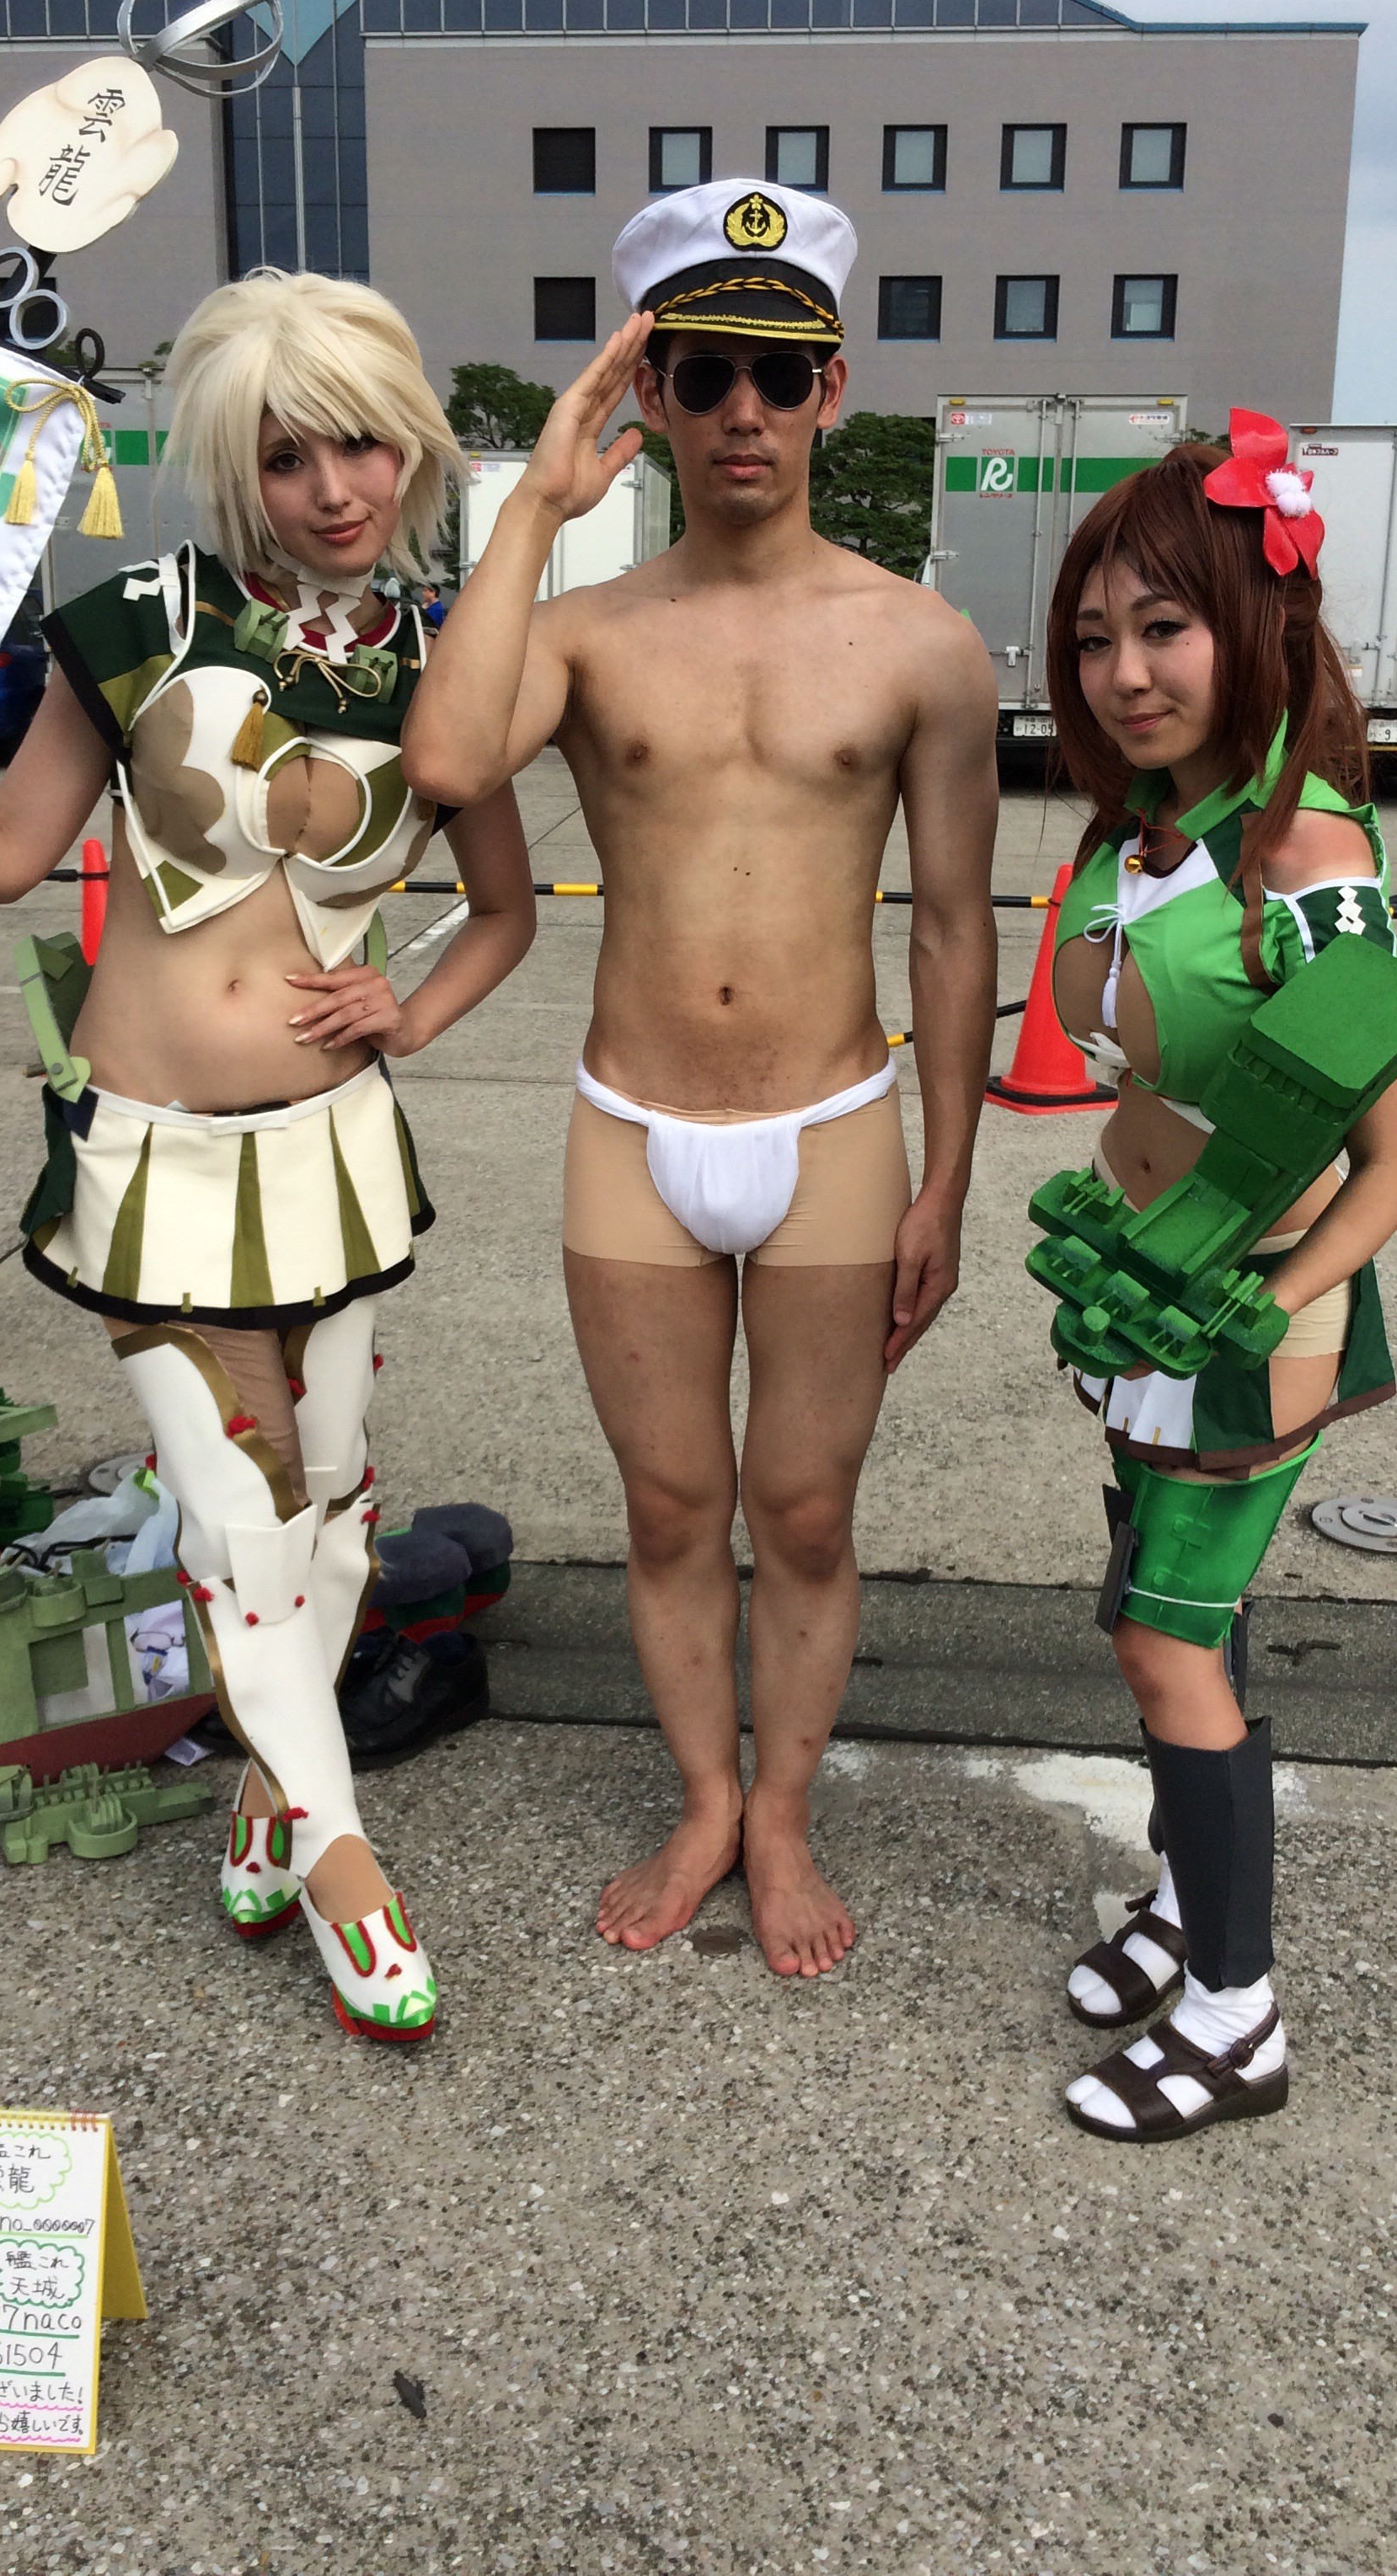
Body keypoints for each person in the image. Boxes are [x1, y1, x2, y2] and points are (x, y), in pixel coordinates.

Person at [0, 270, 536, 2043]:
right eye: (286, 454)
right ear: (232, 462)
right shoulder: (131, 623)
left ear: (413, 448)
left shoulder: (445, 661)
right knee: (242, 1518)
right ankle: (343, 1860)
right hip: (153, 1157)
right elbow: (7, 851)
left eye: (363, 446)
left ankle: (265, 1793)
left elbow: (504, 909)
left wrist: (413, 1008)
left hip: (333, 1148)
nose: (333, 488)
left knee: (331, 1514)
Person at [400, 179, 998, 1978]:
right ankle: (704, 1799)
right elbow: (446, 762)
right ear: (651, 394)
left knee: (804, 1510)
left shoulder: (921, 642)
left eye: (781, 373)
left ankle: (786, 1815)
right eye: (706, 373)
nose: (746, 410)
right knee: (670, 1507)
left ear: (834, 391)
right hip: (632, 1125)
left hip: (833, 1127)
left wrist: (948, 1178)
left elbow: (954, 926)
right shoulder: (585, 630)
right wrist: (533, 504)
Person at [1038, 414, 1397, 2137]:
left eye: (1164, 628)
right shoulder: (1139, 831)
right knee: (1167, 1615)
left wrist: (1263, 1311)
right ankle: (1190, 1904)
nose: (1125, 672)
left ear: (1256, 625)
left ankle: (1236, 2014)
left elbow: (1395, 1162)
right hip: (1147, 1291)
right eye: (1094, 638)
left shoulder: (1309, 860)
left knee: (1162, 1643)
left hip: (1245, 1317)